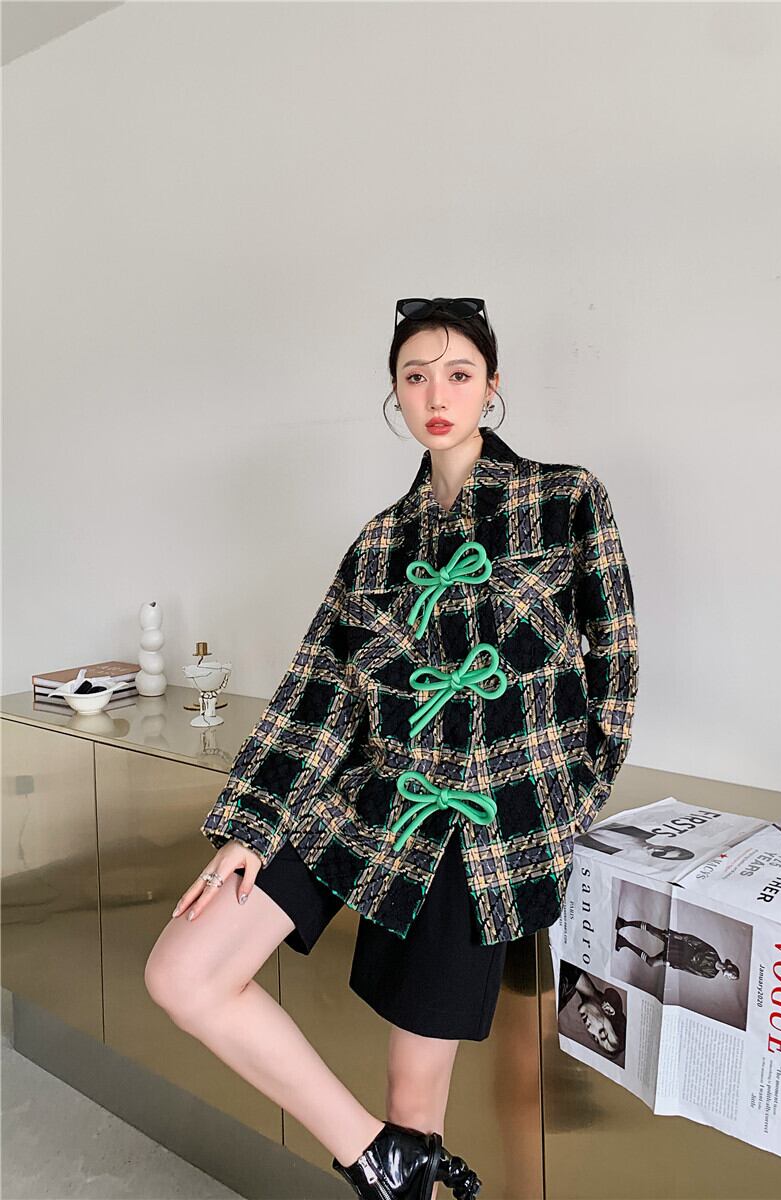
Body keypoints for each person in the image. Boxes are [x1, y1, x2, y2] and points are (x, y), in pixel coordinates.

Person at [144, 297, 640, 1200]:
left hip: (480, 830)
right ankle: (379, 1155)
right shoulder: (377, 544)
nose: (436, 395)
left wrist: (567, 801)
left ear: (492, 386)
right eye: (415, 377)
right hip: (371, 799)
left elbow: (616, 663)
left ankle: (400, 1156)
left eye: (458, 374)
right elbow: (317, 696)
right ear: (395, 394)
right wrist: (251, 827)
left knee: (415, 1099)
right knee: (183, 971)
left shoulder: (566, 499)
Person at [615, 917, 740, 980]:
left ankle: (624, 943)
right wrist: (674, 935)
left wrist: (673, 965)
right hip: (680, 945)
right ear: (730, 967)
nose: (729, 978)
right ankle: (624, 923)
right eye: (731, 976)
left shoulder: (711, 974)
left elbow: (691, 970)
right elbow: (694, 940)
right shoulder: (713, 953)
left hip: (678, 959)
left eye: (730, 979)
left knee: (651, 963)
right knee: (653, 931)